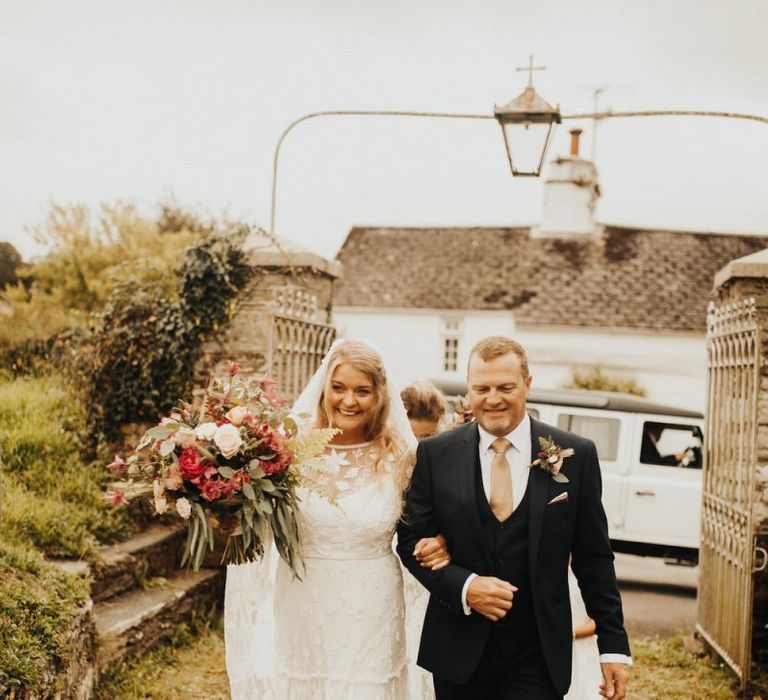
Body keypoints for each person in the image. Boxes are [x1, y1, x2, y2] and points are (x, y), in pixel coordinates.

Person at [397, 336, 631, 700]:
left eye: (505, 386)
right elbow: (410, 540)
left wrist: (613, 646)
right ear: (469, 390)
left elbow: (594, 557)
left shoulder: (577, 455)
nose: (493, 398)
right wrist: (465, 586)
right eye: (482, 388)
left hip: (537, 651)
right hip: (458, 651)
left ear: (528, 384)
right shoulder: (435, 454)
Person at [224, 338, 447, 699]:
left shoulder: (402, 456)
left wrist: (439, 541)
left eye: (362, 391)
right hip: (302, 598)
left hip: (372, 606)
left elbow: (425, 527)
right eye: (339, 388)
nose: (348, 400)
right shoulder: (288, 452)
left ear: (380, 396)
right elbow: (257, 525)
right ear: (324, 389)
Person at [566, 566, 602, 699]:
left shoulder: (588, 576)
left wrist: (571, 634)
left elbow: (599, 619)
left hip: (581, 647)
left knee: (582, 689)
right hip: (554, 645)